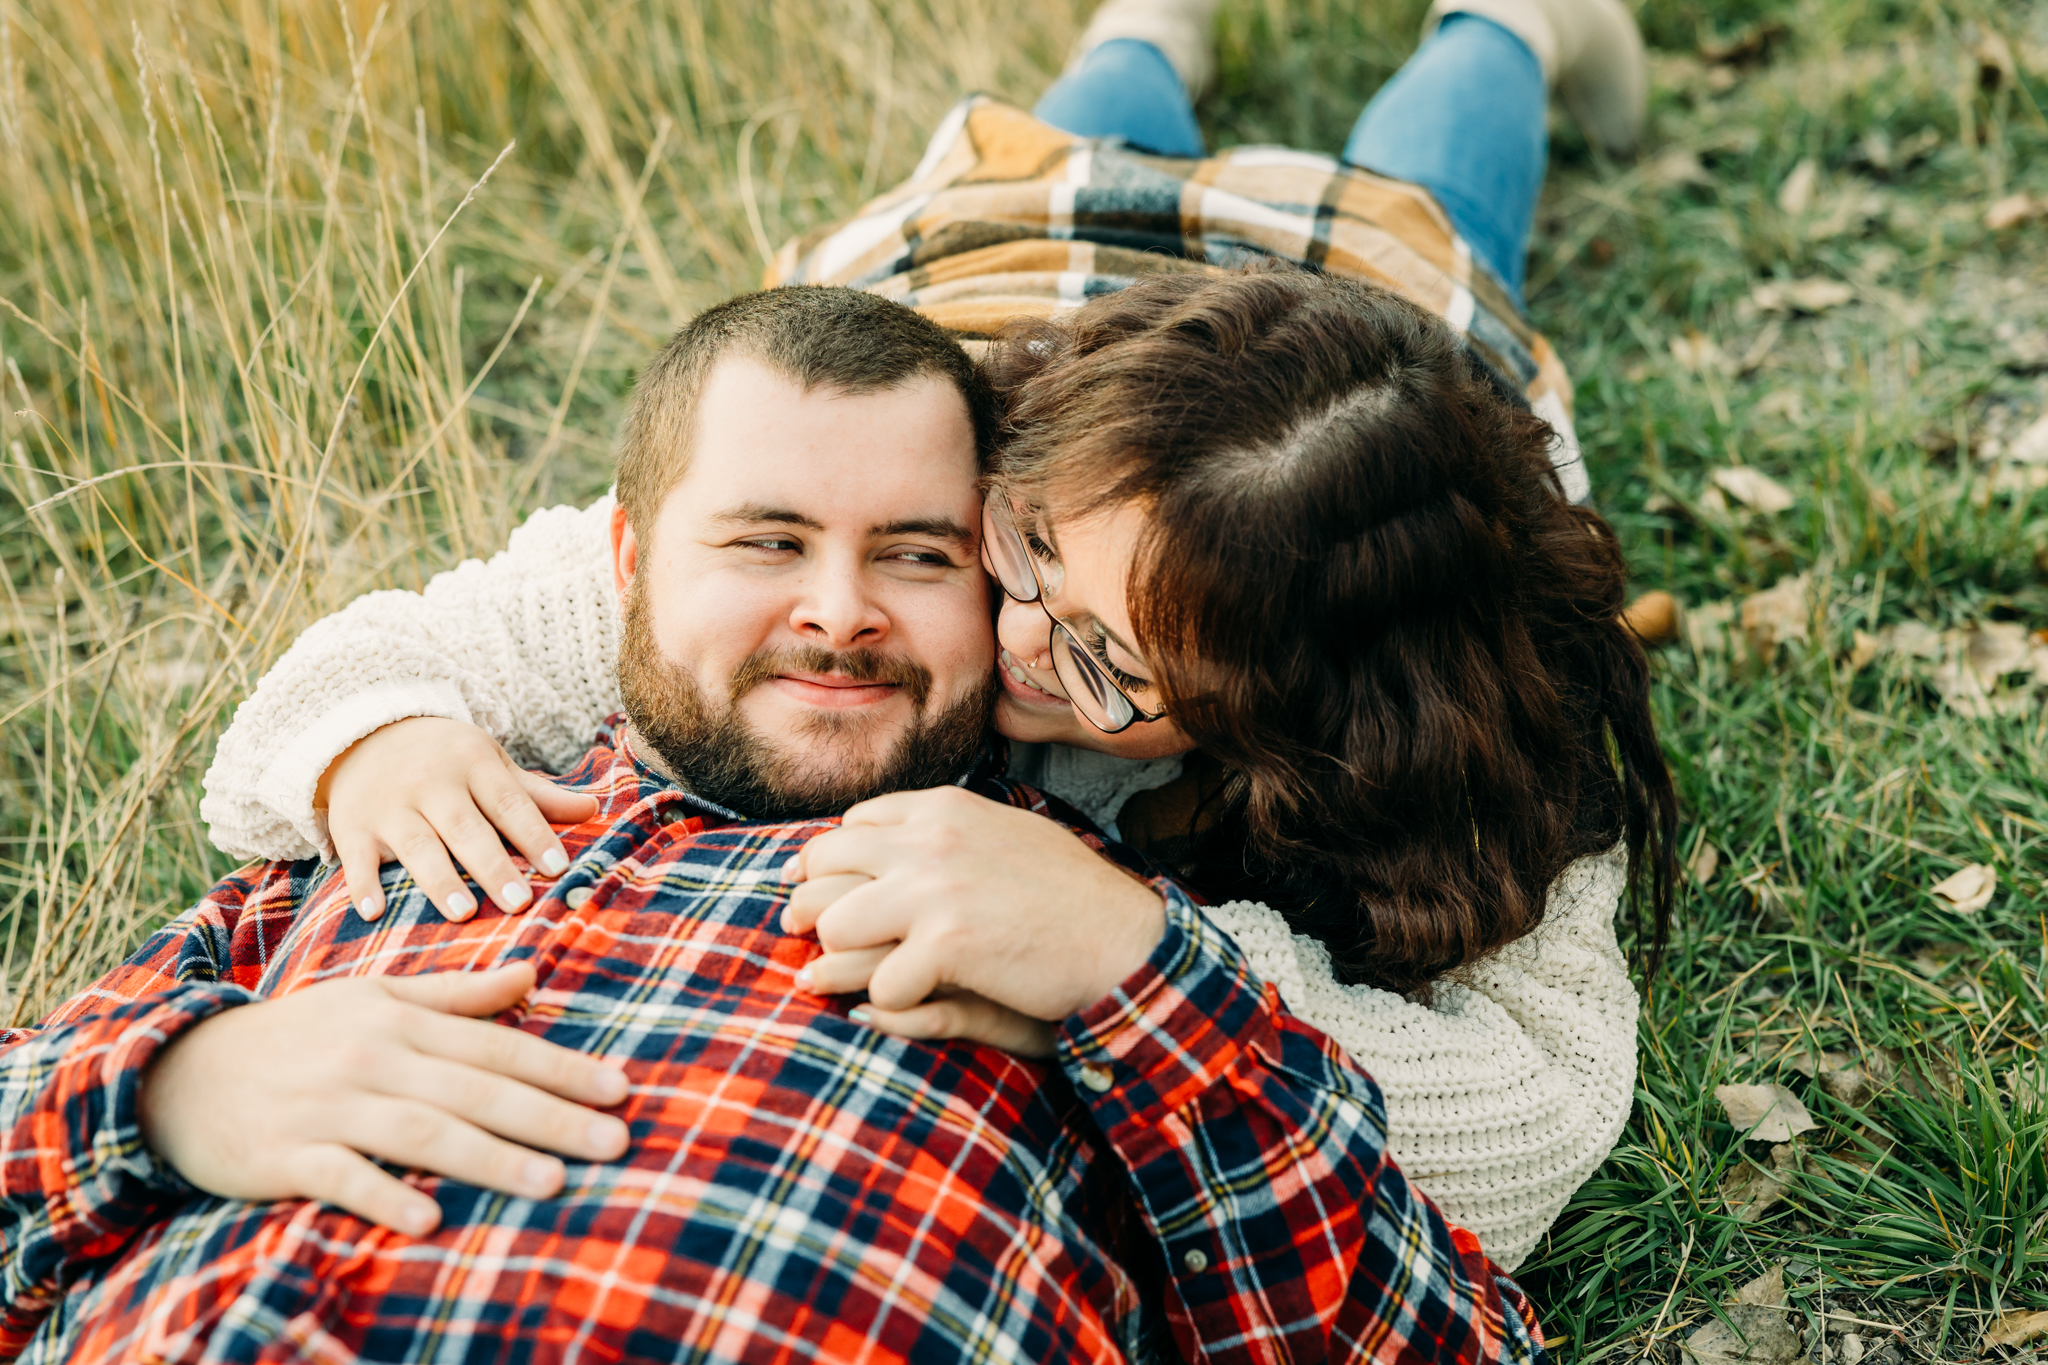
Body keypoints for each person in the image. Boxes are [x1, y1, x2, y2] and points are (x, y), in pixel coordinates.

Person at [199, 0, 1671, 1271]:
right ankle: (1149, 29)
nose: (1015, 637)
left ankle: (1512, 24)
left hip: (1378, 324)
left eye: (1109, 664)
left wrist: (1139, 959)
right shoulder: (897, 494)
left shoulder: (1453, 704)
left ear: (1296, 724)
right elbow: (390, 652)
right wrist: (373, 738)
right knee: (1081, 123)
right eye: (1018, 549)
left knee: (1426, 199)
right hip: (1004, 260)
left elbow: (1541, 1117)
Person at [0, 288, 1546, 1364]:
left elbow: (1438, 1329)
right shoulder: (428, 801)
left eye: (922, 555)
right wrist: (175, 1088)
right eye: (763, 542)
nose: (836, 612)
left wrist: (1137, 973)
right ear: (628, 564)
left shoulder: (1081, 939)